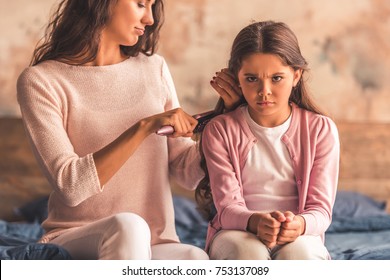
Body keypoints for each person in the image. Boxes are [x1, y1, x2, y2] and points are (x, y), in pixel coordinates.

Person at [16, 0, 237, 260]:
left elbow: (186, 173)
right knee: (129, 227)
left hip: (156, 241)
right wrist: (144, 126)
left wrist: (226, 122)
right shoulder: (42, 81)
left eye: (153, 6)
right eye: (141, 4)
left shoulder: (154, 68)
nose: (150, 19)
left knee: (195, 258)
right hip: (79, 236)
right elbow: (71, 186)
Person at [195, 21, 340, 260]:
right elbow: (227, 208)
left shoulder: (320, 130)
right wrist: (253, 221)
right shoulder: (219, 130)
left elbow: (321, 211)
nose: (264, 91)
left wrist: (300, 224)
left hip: (299, 236)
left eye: (277, 78)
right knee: (247, 251)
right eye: (252, 79)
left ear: (296, 75)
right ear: (237, 78)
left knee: (301, 254)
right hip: (236, 232)